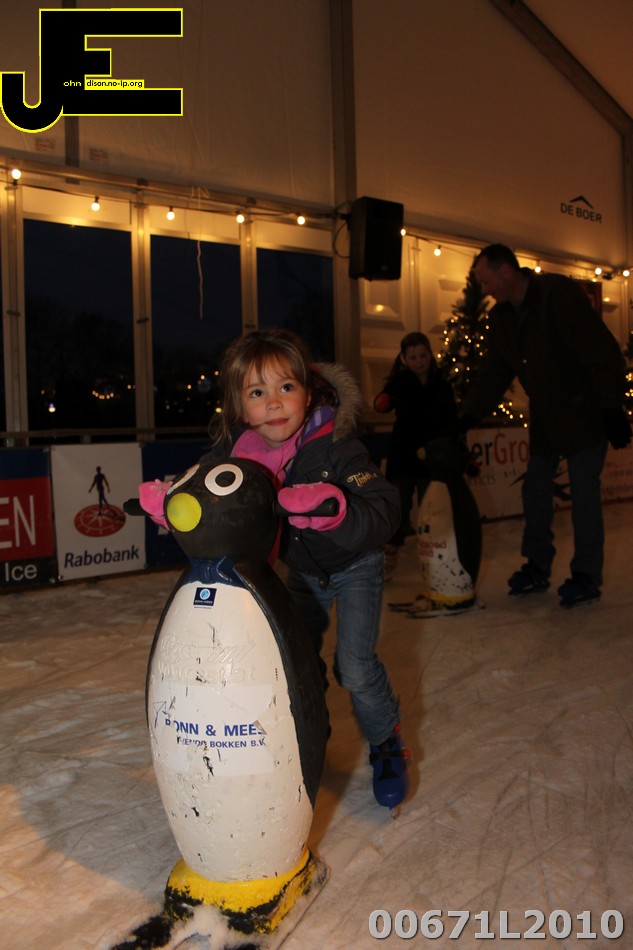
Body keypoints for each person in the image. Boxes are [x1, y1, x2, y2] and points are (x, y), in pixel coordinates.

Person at [141, 329, 408, 810]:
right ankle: (310, 731)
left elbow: (385, 508)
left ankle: (386, 741)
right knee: (294, 662)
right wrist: (171, 502)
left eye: (286, 387)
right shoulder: (237, 456)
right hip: (301, 572)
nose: (275, 403)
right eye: (257, 392)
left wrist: (338, 510)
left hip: (355, 566)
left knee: (355, 668)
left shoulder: (336, 445)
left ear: (308, 391)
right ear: (241, 408)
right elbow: (202, 490)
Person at [457, 243, 631, 608]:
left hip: (584, 411)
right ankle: (536, 565)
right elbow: (495, 372)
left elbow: (600, 349)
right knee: (534, 489)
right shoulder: (501, 318)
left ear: (506, 271)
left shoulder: (556, 294)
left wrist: (612, 406)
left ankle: (586, 574)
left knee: (583, 494)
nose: (484, 290)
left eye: (486, 281)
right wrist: (470, 415)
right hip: (547, 418)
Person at [374, 332, 458, 552]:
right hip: (404, 453)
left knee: (431, 502)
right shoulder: (400, 382)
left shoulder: (441, 384)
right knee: (399, 500)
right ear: (404, 359)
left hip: (432, 455)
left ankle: (433, 542)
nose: (419, 361)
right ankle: (393, 543)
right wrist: (383, 402)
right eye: (413, 357)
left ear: (430, 354)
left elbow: (451, 419)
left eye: (423, 355)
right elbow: (384, 401)